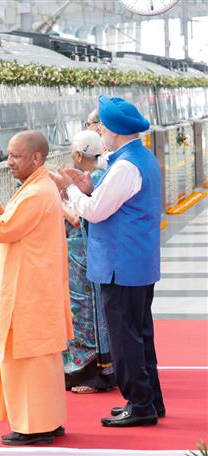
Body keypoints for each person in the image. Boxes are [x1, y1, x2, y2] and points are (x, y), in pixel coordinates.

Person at [50, 96, 165, 428]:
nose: (98, 131)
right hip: (136, 263)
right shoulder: (138, 158)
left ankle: (139, 403)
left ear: (114, 130)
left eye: (101, 125)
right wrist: (87, 185)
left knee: (125, 337)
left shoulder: (126, 166)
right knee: (140, 334)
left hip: (121, 265)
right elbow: (107, 197)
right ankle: (150, 399)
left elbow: (95, 211)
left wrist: (70, 189)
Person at [0, 130, 72, 445]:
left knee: (27, 360)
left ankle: (33, 427)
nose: (8, 162)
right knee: (39, 362)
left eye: (15, 156)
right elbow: (12, 220)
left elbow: (3, 229)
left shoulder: (38, 191)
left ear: (36, 158)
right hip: (34, 289)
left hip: (29, 293)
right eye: (8, 155)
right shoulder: (35, 187)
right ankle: (46, 421)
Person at [62, 131, 115, 394]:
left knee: (84, 315)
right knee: (95, 315)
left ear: (79, 155)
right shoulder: (105, 175)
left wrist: (61, 196)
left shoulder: (92, 180)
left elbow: (78, 218)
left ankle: (90, 374)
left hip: (82, 258)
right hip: (91, 257)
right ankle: (103, 369)